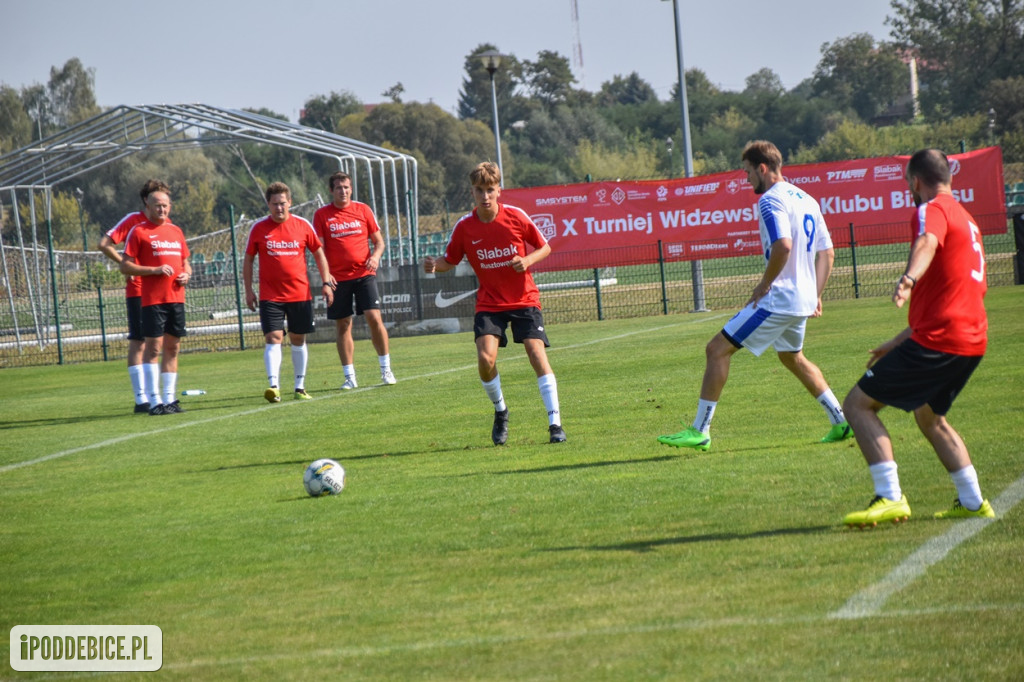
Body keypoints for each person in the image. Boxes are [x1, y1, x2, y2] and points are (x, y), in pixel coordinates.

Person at [658, 140, 852, 451]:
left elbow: (783, 245)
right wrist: (815, 295)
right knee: (792, 357)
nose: (746, 179)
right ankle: (841, 421)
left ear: (762, 168)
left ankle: (700, 430)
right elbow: (827, 253)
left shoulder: (770, 200)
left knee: (716, 350)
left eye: (748, 172)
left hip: (780, 298)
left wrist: (764, 285)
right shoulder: (808, 199)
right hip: (800, 298)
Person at [841, 148, 993, 528]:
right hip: (971, 338)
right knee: (930, 417)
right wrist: (900, 339)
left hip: (941, 339)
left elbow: (926, 242)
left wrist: (908, 278)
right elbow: (956, 292)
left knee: (858, 405)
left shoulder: (932, 210)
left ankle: (889, 496)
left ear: (916, 181)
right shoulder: (968, 219)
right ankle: (974, 502)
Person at [423, 162, 566, 445]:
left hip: (524, 298)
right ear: (472, 192)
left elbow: (545, 246)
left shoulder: (516, 216)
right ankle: (501, 411)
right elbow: (449, 261)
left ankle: (555, 424)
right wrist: (433, 266)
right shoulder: (465, 227)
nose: (485, 196)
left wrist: (526, 260)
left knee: (536, 353)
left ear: (499, 190)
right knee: (486, 359)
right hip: (490, 303)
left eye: (490, 189)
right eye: (479, 190)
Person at [244, 182, 336, 402]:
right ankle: (273, 387)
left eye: (282, 203)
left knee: (298, 338)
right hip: (270, 296)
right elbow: (248, 260)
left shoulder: (303, 225)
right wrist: (248, 290)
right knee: (273, 338)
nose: (279, 208)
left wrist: (326, 282)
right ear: (268, 204)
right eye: (274, 204)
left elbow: (319, 253)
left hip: (299, 294)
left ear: (290, 202)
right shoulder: (258, 228)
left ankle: (299, 387)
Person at [312, 171, 396, 389]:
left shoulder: (363, 210)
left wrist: (375, 258)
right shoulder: (322, 215)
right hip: (337, 279)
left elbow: (379, 243)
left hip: (364, 274)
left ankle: (386, 369)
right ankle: (350, 376)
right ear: (331, 190)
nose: (343, 191)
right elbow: (318, 250)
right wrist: (326, 277)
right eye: (339, 187)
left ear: (351, 188)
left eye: (347, 187)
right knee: (343, 324)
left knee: (373, 317)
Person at [98, 179, 171, 413]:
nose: (160, 206)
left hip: (163, 292)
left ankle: (161, 396)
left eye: (164, 201)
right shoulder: (133, 220)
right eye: (156, 200)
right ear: (146, 202)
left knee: (164, 342)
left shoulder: (165, 222)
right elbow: (104, 243)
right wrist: (126, 265)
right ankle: (141, 399)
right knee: (139, 342)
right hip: (139, 288)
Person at [119, 183, 192, 415]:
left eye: (165, 206)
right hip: (152, 301)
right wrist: (154, 270)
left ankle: (170, 399)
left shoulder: (176, 231)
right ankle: (154, 401)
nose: (162, 210)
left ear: (170, 207)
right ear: (147, 206)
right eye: (157, 206)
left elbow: (185, 261)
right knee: (153, 349)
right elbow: (125, 266)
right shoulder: (139, 231)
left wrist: (186, 275)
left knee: (173, 347)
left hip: (176, 298)